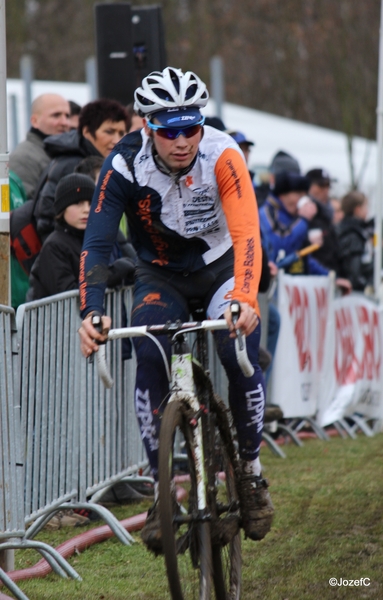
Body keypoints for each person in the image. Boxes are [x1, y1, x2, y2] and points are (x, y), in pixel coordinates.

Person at [77, 66, 274, 550]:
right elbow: (98, 243)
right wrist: (92, 311)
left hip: (221, 267)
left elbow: (249, 231)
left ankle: (248, 470)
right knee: (149, 353)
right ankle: (162, 491)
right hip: (159, 274)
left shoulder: (222, 153)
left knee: (235, 347)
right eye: (169, 130)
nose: (183, 141)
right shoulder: (123, 165)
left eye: (191, 127)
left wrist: (245, 299)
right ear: (147, 126)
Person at [28, 173, 135, 301]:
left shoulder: (101, 237)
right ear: (62, 209)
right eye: (78, 203)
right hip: (62, 320)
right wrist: (110, 274)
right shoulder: (54, 246)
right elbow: (69, 295)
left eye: (91, 204)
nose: (86, 209)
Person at [35, 99, 129, 241]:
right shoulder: (74, 166)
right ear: (86, 132)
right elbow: (47, 222)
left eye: (121, 133)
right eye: (109, 132)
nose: (116, 140)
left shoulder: (108, 165)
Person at [9, 93, 70, 199]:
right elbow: (23, 209)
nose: (64, 122)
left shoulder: (62, 153)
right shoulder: (24, 157)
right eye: (56, 115)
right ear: (35, 121)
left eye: (67, 116)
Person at [336, 191, 374, 292]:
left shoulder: (353, 230)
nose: (367, 211)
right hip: (356, 293)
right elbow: (354, 270)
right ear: (357, 210)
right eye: (365, 207)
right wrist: (365, 286)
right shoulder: (353, 235)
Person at [305, 168, 340, 272]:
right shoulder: (303, 214)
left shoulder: (327, 215)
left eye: (328, 186)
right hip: (309, 281)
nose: (326, 190)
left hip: (329, 277)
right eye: (321, 185)